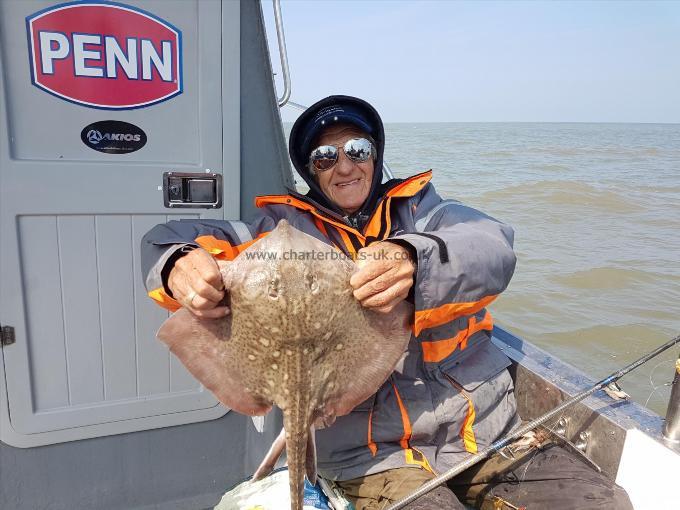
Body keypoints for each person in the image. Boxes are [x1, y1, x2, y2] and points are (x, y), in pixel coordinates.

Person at [141, 95, 632, 509]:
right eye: (325, 157)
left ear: (376, 154)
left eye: (356, 149)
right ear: (311, 172)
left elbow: (492, 247)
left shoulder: (427, 212)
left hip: (486, 430)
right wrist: (176, 263)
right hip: (371, 456)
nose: (345, 165)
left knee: (601, 500)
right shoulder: (277, 236)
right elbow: (169, 239)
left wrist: (415, 259)